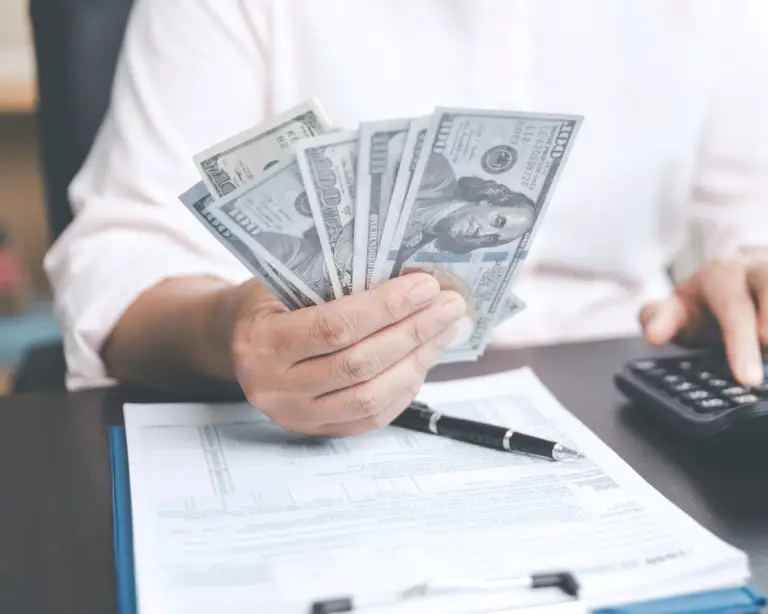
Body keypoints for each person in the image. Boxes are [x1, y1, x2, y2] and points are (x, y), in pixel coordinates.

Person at [45, 1, 768, 438]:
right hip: (313, 427)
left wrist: (746, 285)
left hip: (631, 411)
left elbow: (752, 219)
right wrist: (233, 331)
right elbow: (121, 258)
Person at [391, 152, 537, 275]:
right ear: (487, 201)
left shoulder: (407, 256)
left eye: (493, 238)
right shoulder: (437, 175)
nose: (482, 234)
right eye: (497, 221)